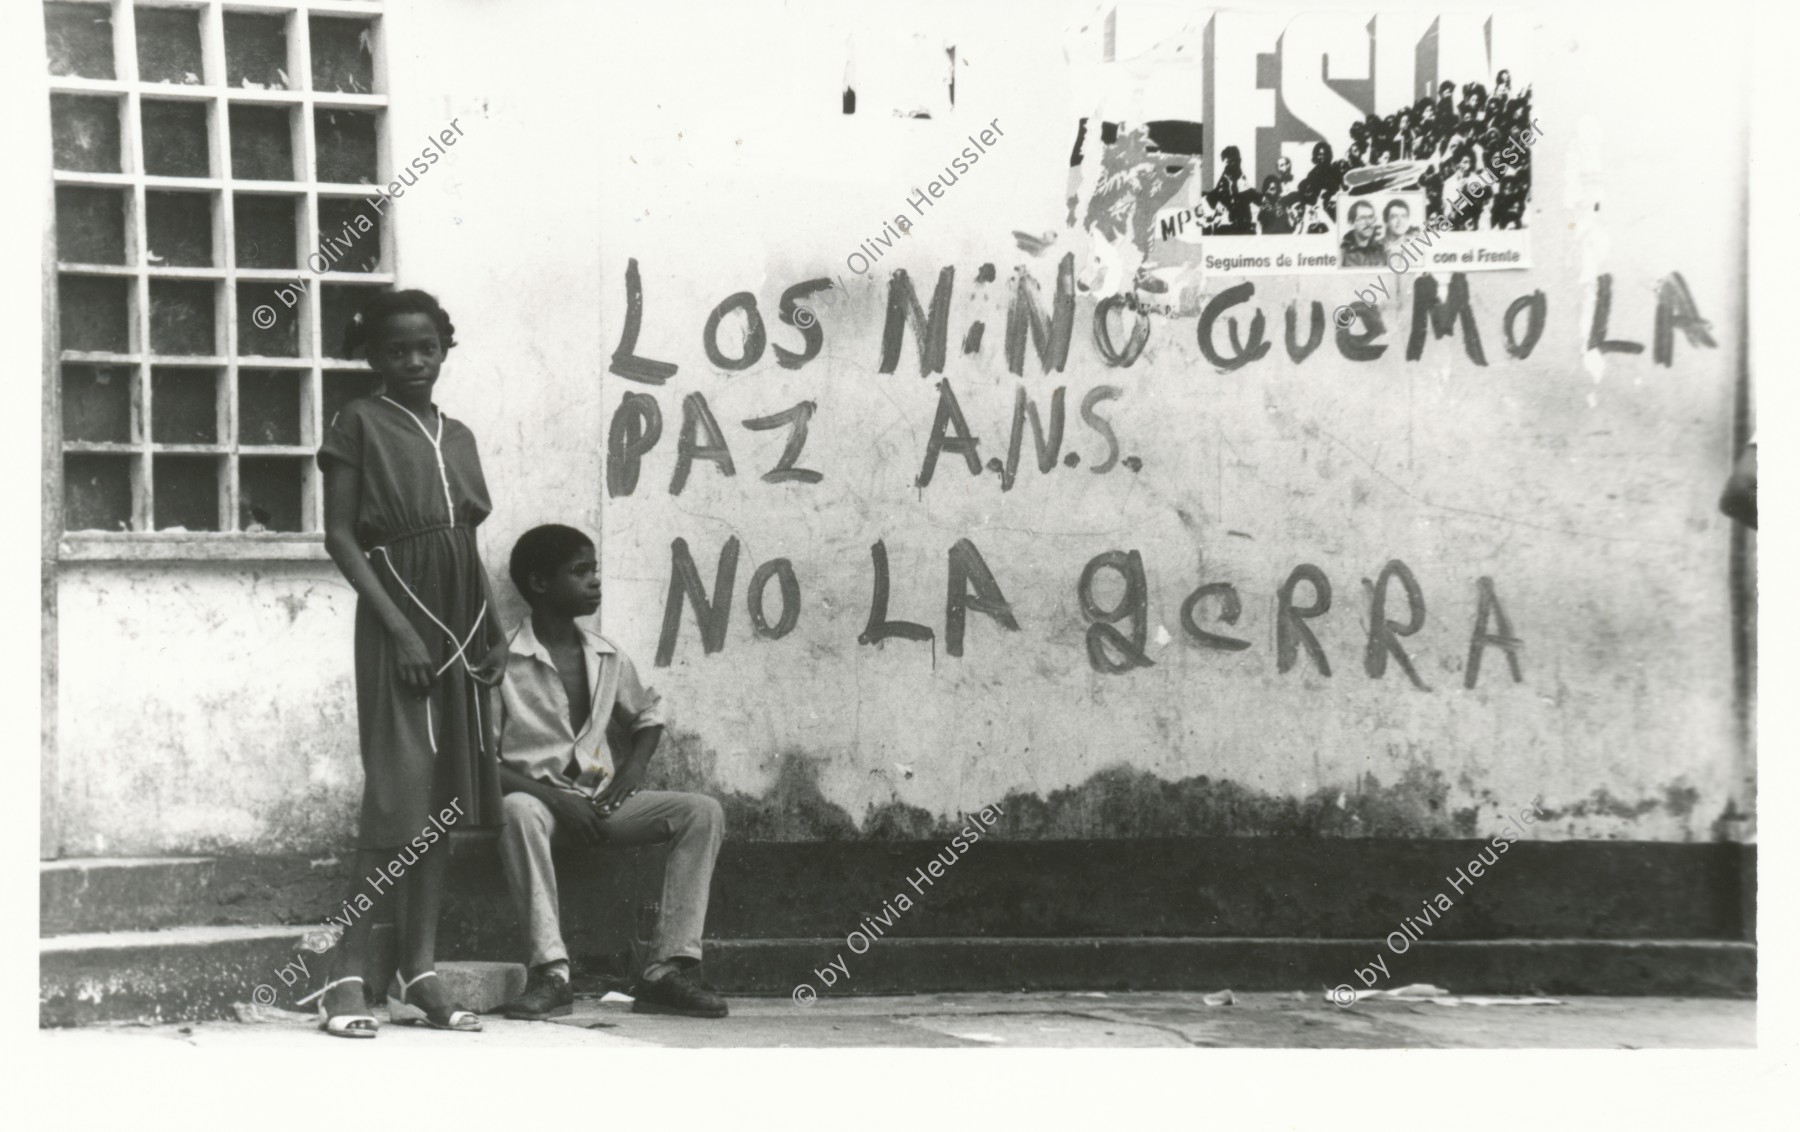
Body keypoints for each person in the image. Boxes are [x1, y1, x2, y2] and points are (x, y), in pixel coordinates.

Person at [302, 289, 503, 1037]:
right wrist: (403, 633)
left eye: (425, 347)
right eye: (396, 350)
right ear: (372, 357)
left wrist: (491, 632)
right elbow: (340, 537)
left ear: (445, 347)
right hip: (399, 621)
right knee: (397, 798)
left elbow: (466, 544)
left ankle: (419, 972)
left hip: (461, 622)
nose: (413, 361)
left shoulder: (461, 435)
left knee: (444, 802)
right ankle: (346, 976)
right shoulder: (357, 423)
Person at [493, 524, 729, 1021]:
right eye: (581, 572)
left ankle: (666, 971)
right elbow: (479, 761)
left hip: (602, 803)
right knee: (516, 810)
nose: (595, 582)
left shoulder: (606, 654)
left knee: (702, 812)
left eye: (594, 569)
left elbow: (646, 717)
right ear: (539, 583)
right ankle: (552, 973)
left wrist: (633, 771)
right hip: (540, 803)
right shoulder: (504, 661)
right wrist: (556, 799)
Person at [1339, 199, 1385, 267]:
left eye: (1370, 217)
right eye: (1362, 218)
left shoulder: (1381, 250)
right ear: (1351, 223)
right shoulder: (1342, 252)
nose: (1368, 223)